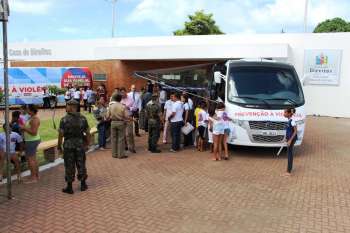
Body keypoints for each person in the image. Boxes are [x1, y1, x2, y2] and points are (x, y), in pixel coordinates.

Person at [58, 99, 90, 194]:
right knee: (81, 163)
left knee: (69, 165)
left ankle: (69, 187)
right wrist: (87, 143)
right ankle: (83, 184)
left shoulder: (64, 119)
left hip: (68, 145)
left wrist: (59, 146)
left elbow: (60, 135)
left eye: (67, 106)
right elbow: (87, 132)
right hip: (80, 144)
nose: (66, 107)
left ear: (72, 107)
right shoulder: (83, 118)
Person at [20, 104, 41, 182]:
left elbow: (34, 132)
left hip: (32, 141)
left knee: (30, 159)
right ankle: (36, 175)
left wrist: (24, 128)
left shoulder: (34, 119)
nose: (26, 110)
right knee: (33, 159)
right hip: (30, 140)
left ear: (32, 110)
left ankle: (33, 177)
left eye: (28, 109)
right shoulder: (31, 118)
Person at [108, 94, 130, 159]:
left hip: (113, 122)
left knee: (113, 138)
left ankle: (114, 154)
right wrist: (131, 119)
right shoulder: (122, 106)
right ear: (120, 99)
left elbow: (107, 116)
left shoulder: (110, 106)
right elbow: (126, 116)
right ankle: (121, 154)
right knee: (121, 139)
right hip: (120, 122)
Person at [282, 108, 298, 177]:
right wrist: (286, 138)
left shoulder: (292, 121)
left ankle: (288, 172)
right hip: (289, 138)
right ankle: (288, 170)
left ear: (288, 113)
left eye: (285, 112)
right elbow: (288, 130)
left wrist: (290, 140)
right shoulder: (289, 120)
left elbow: (295, 131)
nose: (284, 114)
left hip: (292, 139)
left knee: (289, 154)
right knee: (289, 153)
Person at [120, 88, 136, 153]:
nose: (122, 94)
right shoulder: (119, 99)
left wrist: (129, 107)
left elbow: (135, 108)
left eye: (123, 92)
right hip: (121, 118)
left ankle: (131, 147)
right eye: (121, 93)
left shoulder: (131, 99)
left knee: (130, 133)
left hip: (129, 118)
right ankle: (125, 146)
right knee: (123, 134)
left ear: (126, 92)